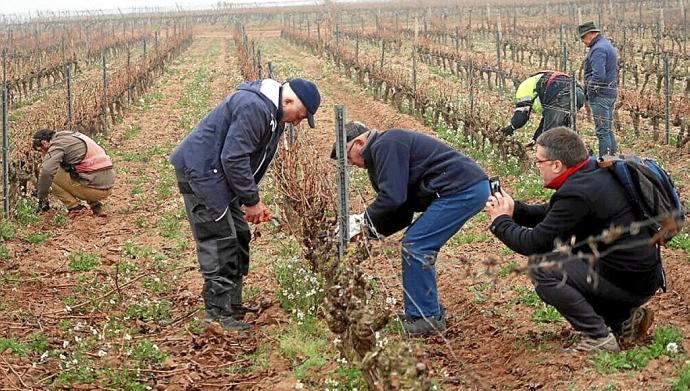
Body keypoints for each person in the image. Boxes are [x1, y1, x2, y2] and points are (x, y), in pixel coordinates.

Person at [486, 127, 662, 353]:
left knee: (542, 268)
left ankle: (599, 337)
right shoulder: (593, 172)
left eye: (539, 161)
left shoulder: (578, 192)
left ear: (557, 164)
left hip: (627, 282)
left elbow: (533, 244)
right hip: (637, 276)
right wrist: (513, 209)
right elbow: (550, 213)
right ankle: (625, 319)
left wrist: (500, 221)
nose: (537, 167)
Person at [170, 78, 321, 331]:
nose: (297, 122)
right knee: (220, 241)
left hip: (218, 177)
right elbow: (234, 157)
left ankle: (232, 304)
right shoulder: (255, 107)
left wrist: (248, 198)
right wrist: (252, 201)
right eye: (300, 115)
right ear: (288, 101)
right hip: (202, 175)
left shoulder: (273, 116)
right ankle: (216, 315)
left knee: (239, 234)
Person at [331, 122, 489, 336]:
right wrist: (367, 233)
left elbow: (393, 198)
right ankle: (421, 313)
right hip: (458, 190)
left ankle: (427, 318)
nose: (350, 163)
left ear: (359, 143)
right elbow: (402, 209)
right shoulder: (380, 155)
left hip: (462, 190)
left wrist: (361, 222)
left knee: (417, 245)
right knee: (415, 243)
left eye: (348, 157)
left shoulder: (387, 144)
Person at [32, 129, 115, 217]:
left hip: (95, 189)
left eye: (41, 150)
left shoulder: (57, 144)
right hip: (108, 184)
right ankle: (95, 205)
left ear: (44, 143)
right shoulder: (72, 135)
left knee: (49, 176)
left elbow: (46, 172)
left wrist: (41, 196)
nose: (42, 154)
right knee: (76, 169)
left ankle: (75, 208)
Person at [500, 71, 585, 144]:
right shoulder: (541, 84)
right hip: (579, 93)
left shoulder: (524, 88)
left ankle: (552, 160)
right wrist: (535, 138)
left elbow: (521, 116)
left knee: (549, 138)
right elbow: (547, 119)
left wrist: (511, 128)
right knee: (564, 132)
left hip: (562, 94)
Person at [579, 21, 618, 157]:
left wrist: (590, 91)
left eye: (583, 37)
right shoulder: (605, 45)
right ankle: (612, 159)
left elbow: (598, 76)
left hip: (600, 95)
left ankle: (605, 162)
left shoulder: (598, 49)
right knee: (607, 130)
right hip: (609, 92)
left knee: (602, 132)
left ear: (591, 34)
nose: (583, 41)